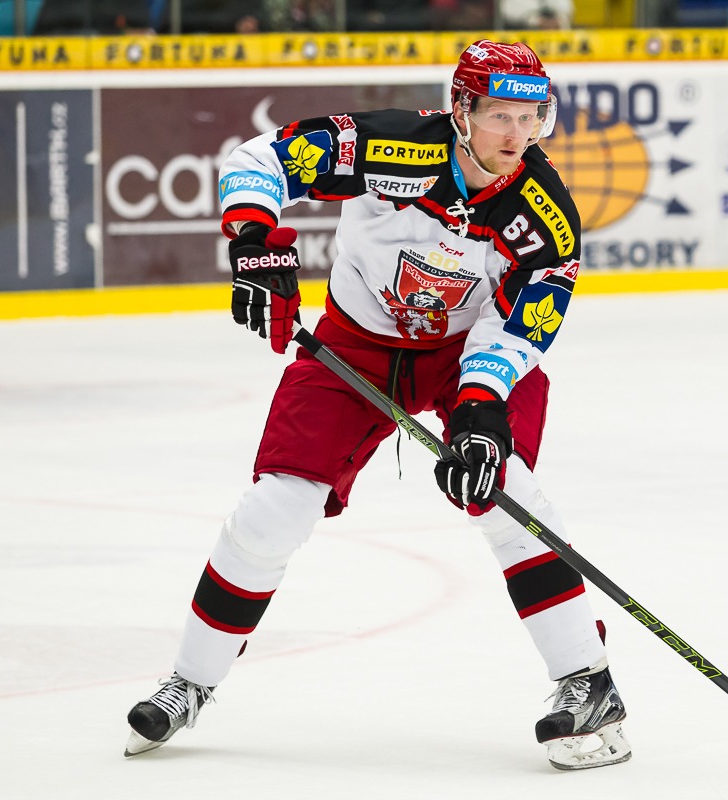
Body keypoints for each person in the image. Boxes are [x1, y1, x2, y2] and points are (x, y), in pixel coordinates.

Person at [124, 40, 632, 772]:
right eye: (500, 115)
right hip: (354, 346)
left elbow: (523, 321)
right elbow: (259, 160)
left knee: (506, 496)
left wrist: (482, 408)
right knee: (274, 511)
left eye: (531, 118)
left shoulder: (543, 213)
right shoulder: (390, 146)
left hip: (465, 358)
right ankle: (189, 681)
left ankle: (589, 682)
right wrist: (254, 240)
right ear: (462, 110)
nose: (516, 135)